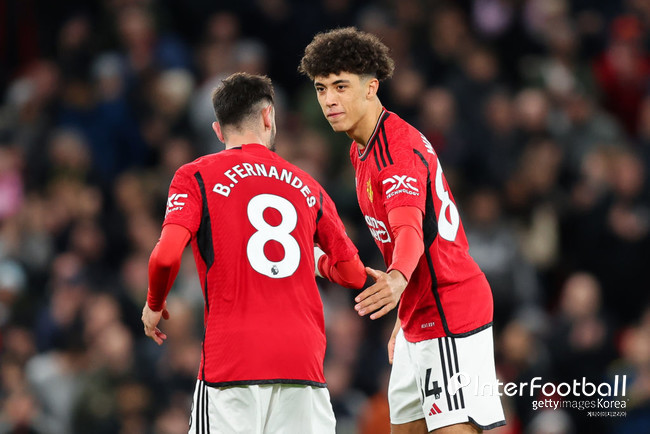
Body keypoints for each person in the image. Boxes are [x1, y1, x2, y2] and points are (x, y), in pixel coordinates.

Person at [299, 28, 506, 433]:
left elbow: (408, 228)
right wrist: (404, 309)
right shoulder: (361, 148)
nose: (329, 100)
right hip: (418, 310)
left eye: (341, 86)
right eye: (321, 89)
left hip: (449, 307)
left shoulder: (395, 150)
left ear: (371, 87)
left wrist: (397, 279)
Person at [141, 72, 366, 434]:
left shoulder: (195, 175)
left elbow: (165, 257)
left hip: (234, 362)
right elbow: (353, 273)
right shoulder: (308, 185)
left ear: (218, 130)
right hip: (303, 362)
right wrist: (315, 261)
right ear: (267, 117)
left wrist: (154, 304)